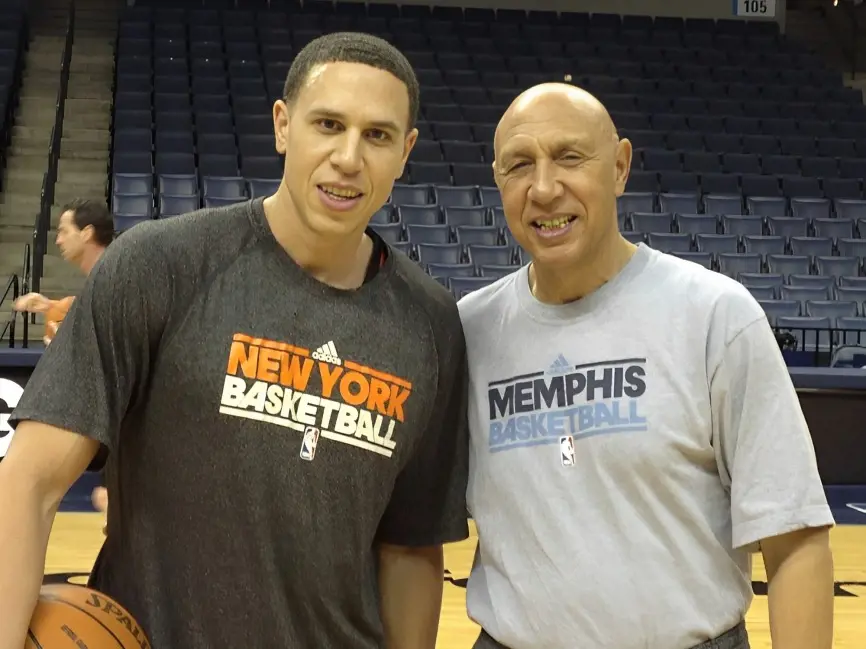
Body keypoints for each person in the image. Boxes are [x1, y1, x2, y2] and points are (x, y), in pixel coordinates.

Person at [0, 32, 469, 649]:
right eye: (328, 124)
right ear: (282, 125)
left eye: (377, 135)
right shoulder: (161, 265)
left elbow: (409, 549)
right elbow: (28, 485)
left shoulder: (431, 323)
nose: (349, 157)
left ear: (405, 151)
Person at [458, 83, 835, 649]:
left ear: (619, 167)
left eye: (568, 157)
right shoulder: (468, 332)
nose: (543, 187)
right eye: (519, 165)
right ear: (498, 180)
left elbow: (795, 538)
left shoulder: (715, 315)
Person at [14, 198, 114, 345]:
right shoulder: (103, 276)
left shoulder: (114, 279)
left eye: (64, 231)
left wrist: (67, 348)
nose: (58, 240)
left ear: (87, 233)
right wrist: (51, 306)